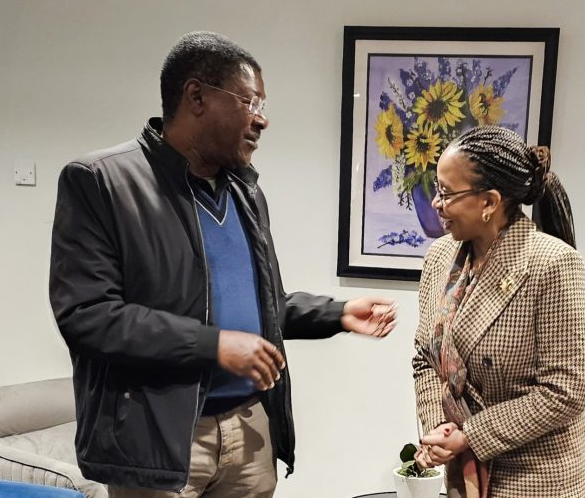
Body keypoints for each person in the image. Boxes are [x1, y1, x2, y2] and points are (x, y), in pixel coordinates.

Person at [49, 31, 396, 498]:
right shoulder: (100, 181)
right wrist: (212, 345)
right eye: (250, 102)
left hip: (249, 429)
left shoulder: (244, 192)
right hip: (161, 440)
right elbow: (88, 316)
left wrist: (336, 314)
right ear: (197, 96)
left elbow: (257, 303)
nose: (263, 120)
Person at [412, 125, 585, 497]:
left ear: (489, 202)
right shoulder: (439, 257)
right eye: (437, 189)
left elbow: (566, 391)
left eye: (447, 193)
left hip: (535, 475)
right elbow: (423, 357)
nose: (436, 203)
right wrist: (439, 429)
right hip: (465, 469)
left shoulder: (553, 264)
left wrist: (471, 435)